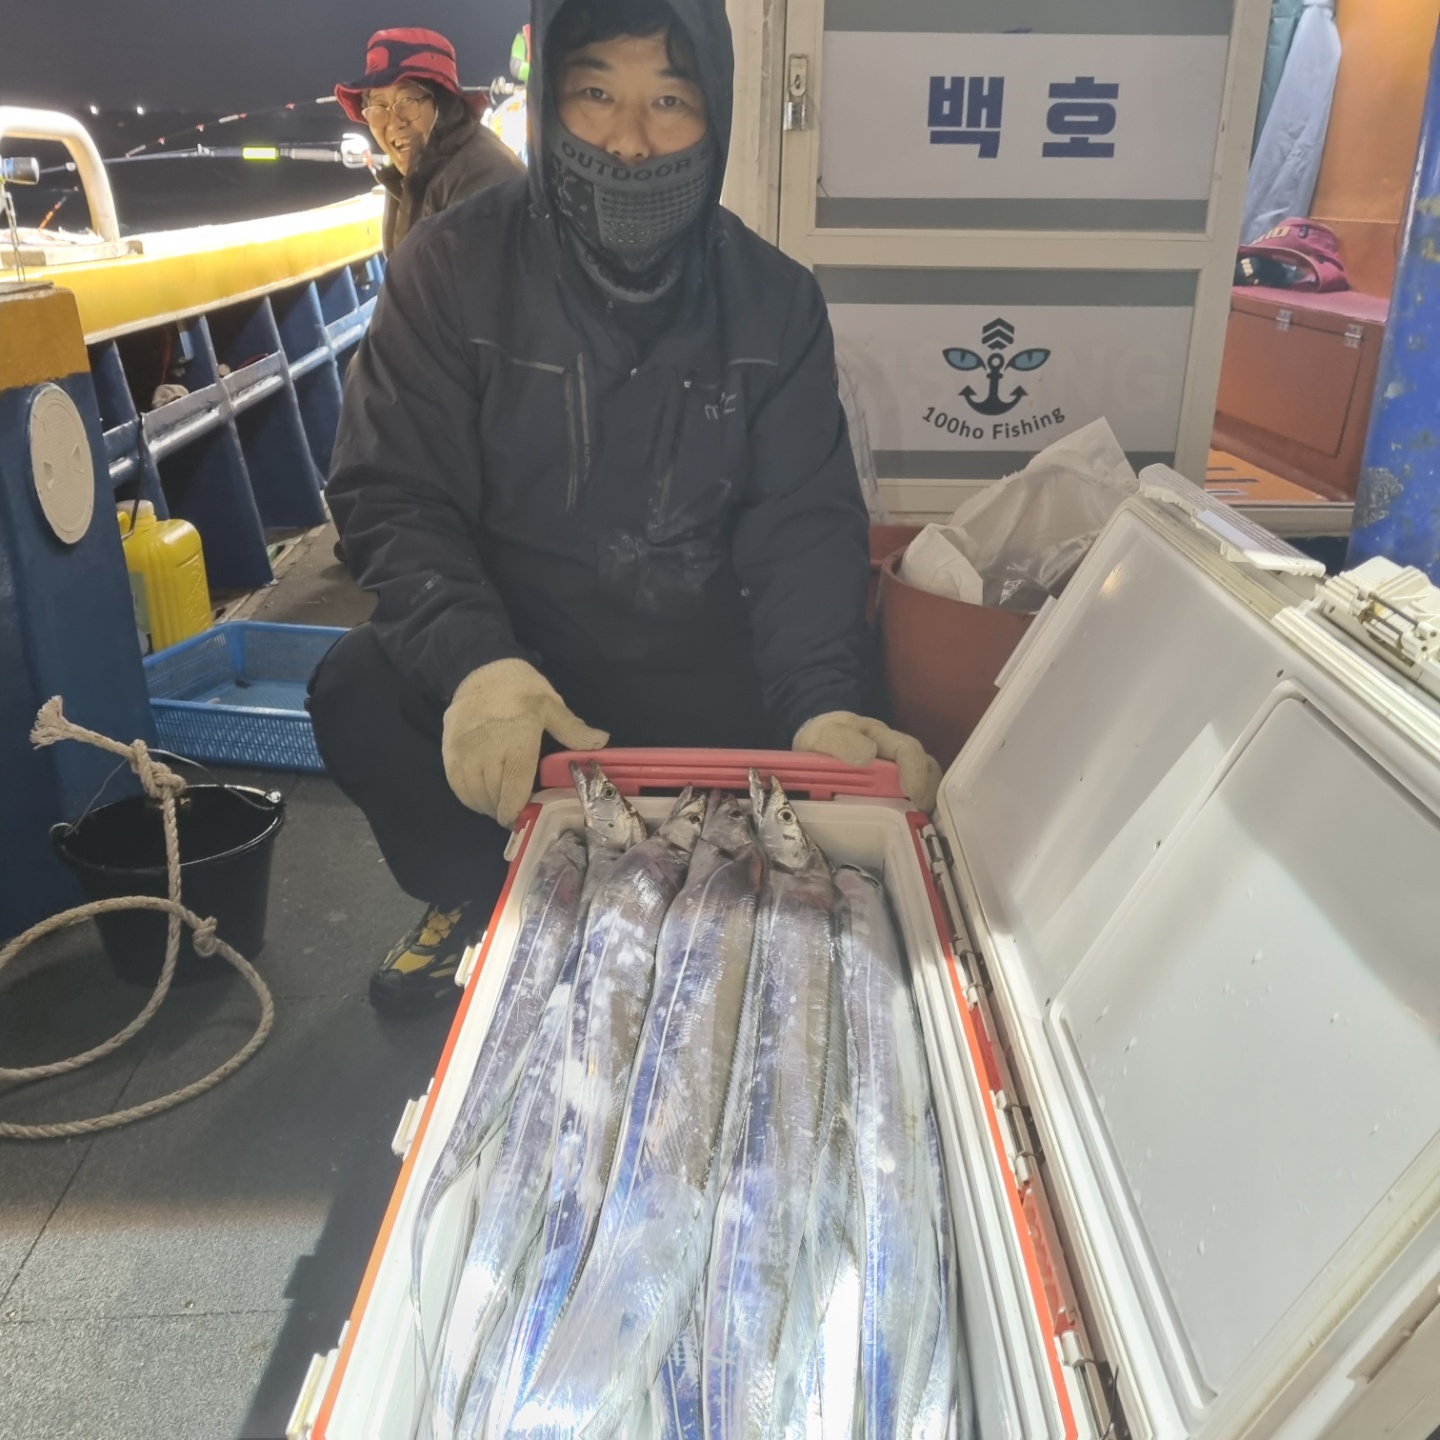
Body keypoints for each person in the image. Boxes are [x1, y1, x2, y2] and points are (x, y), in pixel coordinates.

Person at [309, 0, 942, 1012]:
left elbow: (802, 527)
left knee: (848, 717)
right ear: (550, 103)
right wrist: (477, 662)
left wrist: (820, 701)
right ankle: (491, 899)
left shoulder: (775, 300)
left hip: (710, 666)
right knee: (357, 691)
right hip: (529, 670)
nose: (631, 140)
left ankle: (713, 910)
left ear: (716, 111)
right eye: (597, 92)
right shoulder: (452, 267)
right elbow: (394, 491)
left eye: (670, 100)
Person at [335, 28, 524, 257]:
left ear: (443, 105)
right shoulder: (417, 172)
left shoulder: (482, 180)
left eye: (407, 101)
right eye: (378, 107)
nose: (394, 123)